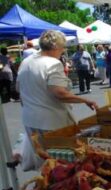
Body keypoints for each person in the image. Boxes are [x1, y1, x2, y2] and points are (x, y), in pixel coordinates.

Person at [16, 30, 98, 166]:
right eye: (62, 48)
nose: (63, 51)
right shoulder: (52, 64)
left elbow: (20, 90)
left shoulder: (26, 62)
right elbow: (59, 93)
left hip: (30, 121)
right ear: (55, 47)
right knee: (60, 163)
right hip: (52, 123)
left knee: (44, 163)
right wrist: (85, 100)